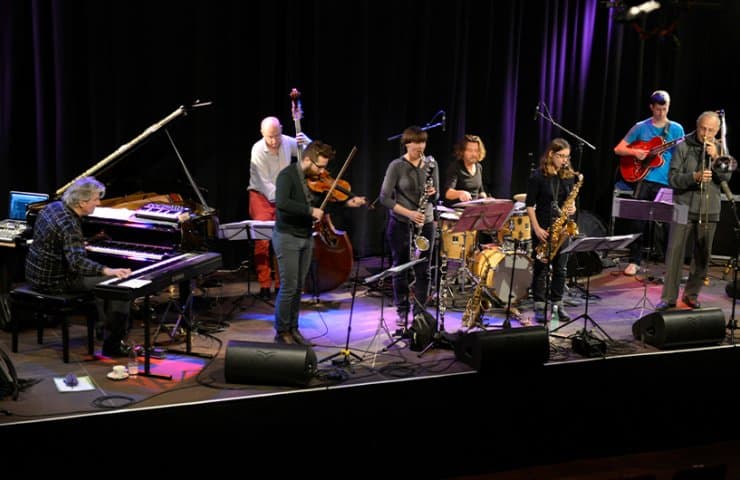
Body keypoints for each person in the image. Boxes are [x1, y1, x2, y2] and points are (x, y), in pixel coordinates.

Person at [24, 176, 133, 357]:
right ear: (82, 203)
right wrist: (108, 270)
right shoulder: (69, 225)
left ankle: (102, 326)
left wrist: (81, 245)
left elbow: (57, 244)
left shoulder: (53, 207)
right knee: (119, 286)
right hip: (56, 281)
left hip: (35, 274)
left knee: (102, 282)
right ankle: (113, 345)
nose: (98, 203)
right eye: (96, 199)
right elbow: (77, 263)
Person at [273, 141, 366, 345]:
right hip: (287, 237)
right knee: (289, 287)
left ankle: (293, 328)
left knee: (299, 287)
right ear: (307, 160)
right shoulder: (287, 176)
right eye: (320, 166)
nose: (323, 171)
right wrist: (309, 211)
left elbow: (327, 204)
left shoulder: (314, 180)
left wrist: (349, 203)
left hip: (306, 236)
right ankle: (281, 331)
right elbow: (282, 203)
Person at [656, 111, 729, 310]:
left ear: (717, 131)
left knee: (703, 256)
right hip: (683, 207)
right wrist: (694, 177)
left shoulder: (721, 148)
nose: (706, 133)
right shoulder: (683, 146)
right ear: (697, 126)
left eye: (711, 130)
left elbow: (726, 178)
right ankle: (668, 298)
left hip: (709, 209)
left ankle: (691, 295)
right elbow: (672, 179)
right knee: (675, 254)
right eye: (703, 128)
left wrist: (716, 158)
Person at [613, 90, 685, 276]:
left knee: (669, 223)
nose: (661, 113)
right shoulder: (640, 127)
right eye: (658, 109)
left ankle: (670, 263)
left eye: (665, 109)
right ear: (651, 107)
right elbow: (618, 149)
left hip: (667, 182)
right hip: (643, 180)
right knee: (638, 222)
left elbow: (683, 154)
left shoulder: (676, 129)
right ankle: (634, 261)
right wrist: (635, 153)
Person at [379, 126, 439, 327]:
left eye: (423, 143)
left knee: (424, 270)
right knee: (401, 268)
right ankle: (402, 310)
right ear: (407, 144)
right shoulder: (396, 166)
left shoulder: (431, 164)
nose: (420, 147)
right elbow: (384, 198)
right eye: (416, 143)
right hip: (401, 223)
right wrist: (410, 213)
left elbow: (437, 197)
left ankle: (420, 311)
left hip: (425, 222)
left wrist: (433, 193)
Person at [248, 116, 310, 300]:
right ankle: (264, 284)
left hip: (282, 196)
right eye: (270, 137)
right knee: (262, 242)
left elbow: (310, 153)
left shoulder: (286, 141)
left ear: (281, 130)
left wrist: (306, 141)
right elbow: (265, 183)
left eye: (277, 135)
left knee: (282, 240)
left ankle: (281, 284)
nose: (274, 141)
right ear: (262, 133)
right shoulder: (257, 150)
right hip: (261, 195)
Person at [525, 138, 578, 323]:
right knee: (540, 268)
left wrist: (573, 208)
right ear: (551, 154)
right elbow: (529, 205)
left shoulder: (568, 176)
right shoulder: (538, 176)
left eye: (567, 157)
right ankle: (539, 305)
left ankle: (557, 304)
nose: (564, 160)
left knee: (561, 269)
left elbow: (571, 201)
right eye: (561, 156)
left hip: (562, 229)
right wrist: (536, 228)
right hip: (543, 228)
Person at [443, 134, 488, 206]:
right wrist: (460, 193)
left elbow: (480, 189)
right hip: (458, 209)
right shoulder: (455, 167)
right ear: (462, 151)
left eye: (476, 150)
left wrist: (484, 196)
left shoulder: (479, 167)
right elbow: (448, 193)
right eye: (470, 150)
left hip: (475, 208)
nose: (474, 154)